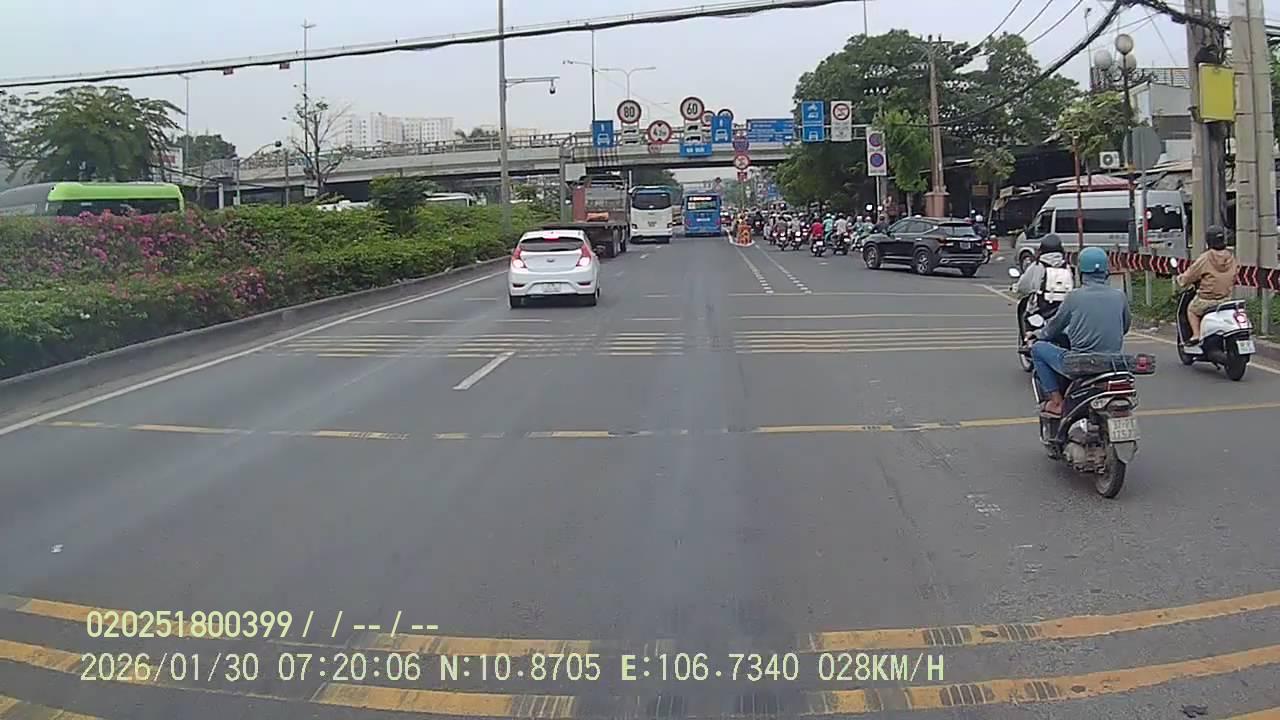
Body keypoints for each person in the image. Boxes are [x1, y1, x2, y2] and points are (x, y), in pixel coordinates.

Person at [1027, 247, 1130, 417]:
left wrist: (1037, 335)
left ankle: (1057, 402)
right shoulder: (1120, 296)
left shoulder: (1074, 297)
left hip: (1080, 362)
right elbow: (1124, 328)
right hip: (1112, 362)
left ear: (1080, 272)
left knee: (1038, 349)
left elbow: (1053, 329)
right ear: (1106, 271)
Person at [1175, 225, 1238, 344]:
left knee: (1191, 310)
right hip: (1226, 299)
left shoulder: (1206, 257)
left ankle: (1196, 334)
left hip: (1207, 299)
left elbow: (1191, 274)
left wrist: (1181, 279)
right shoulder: (1230, 257)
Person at [1015, 234, 1074, 313]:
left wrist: (1017, 287)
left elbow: (1024, 285)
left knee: (1029, 314)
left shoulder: (1037, 266)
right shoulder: (1066, 267)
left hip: (1040, 309)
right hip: (1064, 309)